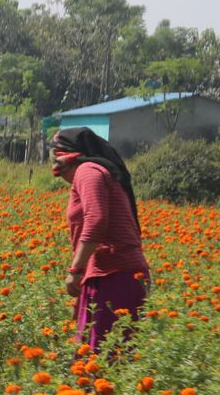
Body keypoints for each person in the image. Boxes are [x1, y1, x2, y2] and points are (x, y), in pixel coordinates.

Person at [51, 127, 149, 353]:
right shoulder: (94, 172)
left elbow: (96, 220)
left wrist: (75, 270)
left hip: (114, 275)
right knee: (103, 354)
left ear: (68, 155)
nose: (53, 164)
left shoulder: (88, 172)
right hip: (110, 274)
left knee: (104, 357)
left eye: (55, 155)